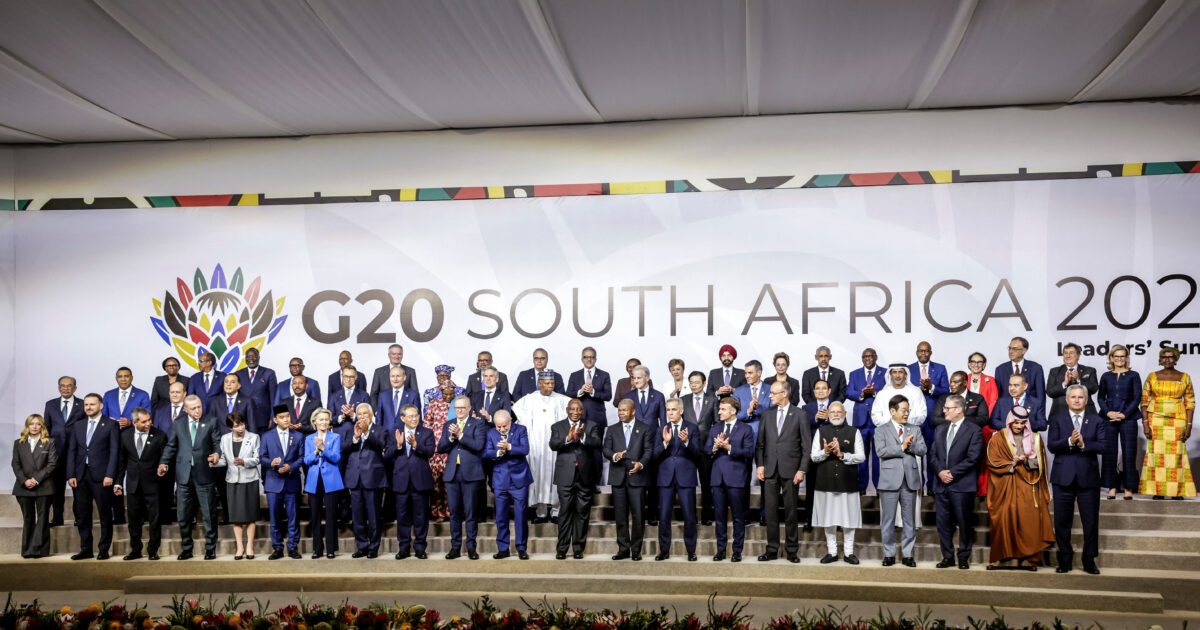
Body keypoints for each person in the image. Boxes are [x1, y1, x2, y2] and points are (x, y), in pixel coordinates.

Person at [1049, 384, 1108, 574]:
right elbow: (1051, 445)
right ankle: (1064, 560)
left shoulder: (1097, 420)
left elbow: (1103, 446)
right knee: (1062, 523)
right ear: (1067, 400)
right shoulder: (1057, 419)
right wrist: (1069, 441)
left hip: (1088, 479)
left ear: (1086, 400)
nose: (1076, 400)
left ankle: (1089, 560)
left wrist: (1083, 444)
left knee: (1090, 523)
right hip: (1062, 478)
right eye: (1073, 397)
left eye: (1080, 397)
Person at [986, 406, 1053, 570]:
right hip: (1006, 483)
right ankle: (1000, 557)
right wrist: (1012, 463)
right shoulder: (998, 438)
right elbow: (992, 461)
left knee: (1029, 519)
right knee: (1003, 518)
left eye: (1022, 423)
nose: (1019, 426)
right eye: (1016, 422)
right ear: (1010, 421)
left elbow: (1041, 462)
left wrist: (1026, 461)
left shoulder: (1035, 438)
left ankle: (1031, 559)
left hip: (1027, 483)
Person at [158, 394, 221, 560]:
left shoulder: (211, 421)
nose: (197, 411)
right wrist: (163, 463)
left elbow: (217, 443)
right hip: (184, 475)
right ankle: (186, 549)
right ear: (185, 409)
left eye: (199, 407)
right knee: (183, 515)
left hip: (204, 474)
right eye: (193, 408)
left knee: (209, 515)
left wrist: (217, 454)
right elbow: (171, 446)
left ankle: (210, 548)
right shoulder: (178, 423)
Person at [755, 381, 810, 563]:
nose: (769, 395)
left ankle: (792, 551)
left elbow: (806, 446)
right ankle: (772, 550)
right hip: (770, 469)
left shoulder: (800, 415)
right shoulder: (767, 414)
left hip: (791, 471)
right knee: (770, 512)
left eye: (773, 393)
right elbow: (760, 443)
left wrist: (802, 469)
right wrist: (760, 465)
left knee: (791, 512)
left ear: (784, 394)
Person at [512, 370, 572, 523]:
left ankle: (556, 511)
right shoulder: (529, 399)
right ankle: (541, 512)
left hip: (555, 446)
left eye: (552, 383)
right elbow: (518, 417)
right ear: (539, 383)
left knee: (555, 476)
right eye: (547, 383)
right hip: (536, 445)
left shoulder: (562, 400)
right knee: (538, 476)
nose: (550, 386)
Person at [930, 394, 983, 570]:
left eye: (947, 408)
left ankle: (963, 557)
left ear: (959, 409)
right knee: (943, 524)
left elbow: (973, 458)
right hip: (941, 485)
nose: (944, 411)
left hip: (962, 485)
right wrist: (940, 472)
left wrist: (952, 473)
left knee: (964, 522)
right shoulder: (940, 429)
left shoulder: (974, 430)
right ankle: (947, 557)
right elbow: (933, 455)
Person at [67, 393, 120, 560]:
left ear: (101, 406)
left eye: (92, 404)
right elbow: (72, 451)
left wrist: (110, 474)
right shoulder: (78, 425)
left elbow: (114, 452)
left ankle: (104, 549)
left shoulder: (111, 424)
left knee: (105, 514)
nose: (88, 407)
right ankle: (86, 549)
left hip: (102, 477)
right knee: (82, 515)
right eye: (86, 405)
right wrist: (71, 474)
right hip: (80, 476)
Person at [809, 402, 864, 564]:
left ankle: (849, 552)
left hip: (848, 482)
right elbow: (814, 457)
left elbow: (861, 457)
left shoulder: (854, 432)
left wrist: (842, 455)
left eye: (839, 412)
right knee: (828, 518)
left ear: (845, 414)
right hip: (825, 481)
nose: (835, 414)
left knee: (849, 519)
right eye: (832, 412)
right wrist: (826, 452)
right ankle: (832, 552)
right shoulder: (821, 431)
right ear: (827, 415)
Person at [1138, 347, 1196, 499]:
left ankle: (1176, 492)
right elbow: (1144, 401)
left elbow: (1190, 402)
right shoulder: (1153, 376)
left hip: (1178, 419)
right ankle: (1159, 491)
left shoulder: (1184, 377)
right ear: (1160, 359)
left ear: (1175, 359)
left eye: (1170, 357)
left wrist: (1189, 425)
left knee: (1176, 455)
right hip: (1156, 419)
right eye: (1164, 357)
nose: (1167, 360)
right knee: (1157, 456)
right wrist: (1145, 423)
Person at [876, 395, 926, 567]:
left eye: (908, 410)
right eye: (903, 410)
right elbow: (880, 451)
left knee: (909, 520)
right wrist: (901, 447)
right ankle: (889, 554)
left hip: (909, 480)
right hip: (889, 481)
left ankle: (908, 555)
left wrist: (910, 446)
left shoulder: (915, 429)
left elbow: (923, 449)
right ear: (892, 411)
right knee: (888, 521)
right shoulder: (881, 430)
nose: (907, 413)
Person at [437, 395, 487, 559]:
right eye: (457, 408)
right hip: (452, 474)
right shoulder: (448, 424)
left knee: (471, 514)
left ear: (469, 408)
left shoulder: (478, 424)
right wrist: (451, 438)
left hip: (471, 474)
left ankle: (471, 548)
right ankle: (455, 547)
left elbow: (478, 446)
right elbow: (441, 448)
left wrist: (460, 435)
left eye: (462, 407)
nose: (459, 410)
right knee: (454, 513)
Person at [604, 399, 653, 561]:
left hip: (637, 477)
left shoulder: (645, 428)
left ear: (633, 411)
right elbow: (606, 449)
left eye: (624, 410)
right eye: (619, 410)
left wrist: (641, 464)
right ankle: (623, 549)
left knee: (638, 515)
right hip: (618, 478)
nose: (621, 413)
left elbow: (648, 451)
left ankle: (636, 550)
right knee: (620, 516)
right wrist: (614, 455)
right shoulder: (611, 429)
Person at [114, 408, 166, 561]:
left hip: (153, 484)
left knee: (154, 519)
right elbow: (121, 462)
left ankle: (153, 550)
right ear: (135, 422)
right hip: (133, 484)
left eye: (149, 419)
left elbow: (165, 457)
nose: (148, 423)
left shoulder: (160, 435)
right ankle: (135, 550)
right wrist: (118, 483)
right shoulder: (125, 436)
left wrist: (164, 466)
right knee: (134, 519)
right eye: (144, 421)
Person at [707, 396, 754, 562]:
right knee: (719, 518)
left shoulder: (746, 429)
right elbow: (706, 450)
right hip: (717, 479)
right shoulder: (715, 428)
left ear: (733, 411)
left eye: (723, 409)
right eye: (719, 409)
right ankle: (720, 550)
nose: (719, 412)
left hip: (736, 479)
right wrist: (715, 446)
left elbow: (749, 452)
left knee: (738, 517)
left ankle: (737, 551)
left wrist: (729, 447)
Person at [653, 398, 700, 562]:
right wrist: (665, 443)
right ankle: (664, 551)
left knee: (689, 516)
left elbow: (698, 455)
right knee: (664, 517)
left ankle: (691, 551)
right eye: (668, 410)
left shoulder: (692, 428)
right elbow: (654, 455)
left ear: (681, 411)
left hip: (686, 477)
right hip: (665, 478)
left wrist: (687, 442)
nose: (670, 413)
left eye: (673, 410)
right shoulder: (661, 429)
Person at [343, 403, 391, 558]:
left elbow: (382, 446)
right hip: (355, 478)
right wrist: (356, 438)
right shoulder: (351, 430)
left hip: (373, 479)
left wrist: (367, 433)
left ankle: (373, 547)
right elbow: (343, 448)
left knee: (374, 515)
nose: (362, 416)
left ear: (371, 415)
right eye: (359, 414)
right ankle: (362, 546)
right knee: (357, 516)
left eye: (365, 413)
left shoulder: (381, 430)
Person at [485, 410, 532, 560]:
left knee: (521, 516)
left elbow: (525, 449)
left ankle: (521, 548)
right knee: (501, 516)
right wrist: (498, 452)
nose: (501, 429)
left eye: (504, 426)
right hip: (500, 480)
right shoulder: (491, 433)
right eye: (498, 426)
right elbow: (486, 453)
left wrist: (509, 447)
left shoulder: (521, 429)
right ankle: (503, 549)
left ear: (510, 421)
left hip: (519, 479)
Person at [391, 404, 435, 559]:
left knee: (421, 516)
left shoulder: (427, 432)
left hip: (420, 481)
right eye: (410, 416)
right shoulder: (395, 432)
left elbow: (430, 452)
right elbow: (387, 455)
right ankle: (403, 548)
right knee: (402, 516)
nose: (414, 418)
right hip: (401, 481)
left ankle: (420, 548)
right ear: (403, 418)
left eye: (416, 415)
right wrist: (398, 446)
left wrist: (416, 445)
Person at [1098, 345, 1142, 500]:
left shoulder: (1133, 375)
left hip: (1128, 418)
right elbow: (1100, 397)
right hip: (1109, 418)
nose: (1119, 359)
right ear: (1111, 358)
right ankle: (1112, 486)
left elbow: (1137, 398)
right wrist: (1108, 412)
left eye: (1122, 356)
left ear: (1127, 358)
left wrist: (1124, 414)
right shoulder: (1106, 376)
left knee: (1129, 453)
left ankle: (1128, 487)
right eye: (1116, 356)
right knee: (1109, 453)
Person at [261, 404, 303, 560]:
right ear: (275, 420)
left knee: (293, 518)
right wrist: (272, 463)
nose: (286, 419)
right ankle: (277, 548)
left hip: (292, 481)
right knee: (275, 518)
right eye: (282, 417)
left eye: (288, 416)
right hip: (273, 482)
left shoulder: (298, 436)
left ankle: (293, 547)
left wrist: (291, 467)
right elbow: (262, 457)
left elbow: (302, 457)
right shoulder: (267, 436)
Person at [12, 414, 57, 558]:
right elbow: (15, 464)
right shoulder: (19, 443)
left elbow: (52, 464)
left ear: (42, 426)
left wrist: (36, 480)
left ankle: (38, 550)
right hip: (23, 486)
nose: (35, 427)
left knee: (43, 518)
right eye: (32, 424)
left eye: (38, 424)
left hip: (44, 486)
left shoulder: (49, 442)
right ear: (27, 426)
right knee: (28, 518)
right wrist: (25, 480)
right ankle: (27, 550)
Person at [217, 411, 260, 560]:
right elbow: (224, 460)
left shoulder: (254, 437)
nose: (241, 428)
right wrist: (214, 462)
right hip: (232, 480)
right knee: (236, 516)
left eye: (242, 424)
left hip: (250, 480)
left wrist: (244, 461)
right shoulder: (224, 439)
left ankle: (250, 546)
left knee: (250, 516)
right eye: (237, 426)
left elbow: (257, 458)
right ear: (230, 428)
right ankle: (240, 547)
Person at [43, 375, 85, 527]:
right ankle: (57, 518)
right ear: (59, 387)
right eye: (62, 385)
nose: (65, 388)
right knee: (57, 487)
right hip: (56, 453)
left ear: (75, 388)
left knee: (78, 488)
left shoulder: (83, 404)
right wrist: (46, 452)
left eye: (69, 385)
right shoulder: (50, 405)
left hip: (77, 452)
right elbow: (46, 429)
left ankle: (79, 518)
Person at [303, 408, 344, 558]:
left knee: (331, 515)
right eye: (321, 419)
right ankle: (317, 549)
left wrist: (323, 449)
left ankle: (331, 549)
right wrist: (315, 451)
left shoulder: (335, 437)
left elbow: (336, 458)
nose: (324, 422)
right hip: (314, 480)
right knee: (315, 516)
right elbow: (306, 460)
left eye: (326, 419)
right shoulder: (309, 439)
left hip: (331, 480)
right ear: (314, 421)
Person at [846, 349, 885, 494]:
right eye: (864, 356)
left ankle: (879, 486)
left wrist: (875, 393)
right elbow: (849, 392)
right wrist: (861, 393)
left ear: (876, 357)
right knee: (861, 454)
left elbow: (888, 391)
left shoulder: (885, 372)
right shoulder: (854, 374)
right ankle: (861, 486)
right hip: (860, 421)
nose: (867, 359)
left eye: (870, 356)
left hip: (878, 420)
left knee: (878, 455)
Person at [681, 370, 717, 525]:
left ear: (704, 383)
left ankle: (707, 516)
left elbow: (717, 424)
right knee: (688, 484)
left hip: (706, 448)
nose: (693, 385)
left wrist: (713, 447)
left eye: (696, 382)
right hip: (688, 448)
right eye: (691, 382)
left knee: (706, 484)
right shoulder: (683, 399)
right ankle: (690, 517)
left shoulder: (712, 399)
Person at [423, 380, 460, 522]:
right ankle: (438, 511)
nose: (448, 397)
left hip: (452, 448)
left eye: (451, 394)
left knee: (451, 482)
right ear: (441, 392)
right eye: (445, 394)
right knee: (437, 483)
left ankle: (452, 512)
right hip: (436, 450)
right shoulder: (433, 404)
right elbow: (427, 425)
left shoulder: (458, 404)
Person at [801, 380, 835, 530]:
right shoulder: (806, 408)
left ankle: (833, 520)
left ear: (829, 391)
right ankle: (809, 519)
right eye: (817, 389)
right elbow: (801, 428)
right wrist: (815, 418)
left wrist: (828, 418)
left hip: (832, 454)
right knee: (811, 488)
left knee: (832, 488)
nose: (820, 391)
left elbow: (844, 426)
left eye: (824, 388)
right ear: (814, 391)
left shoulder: (836, 406)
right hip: (813, 454)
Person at [1047, 343, 1099, 418]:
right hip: (1060, 413)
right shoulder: (1054, 371)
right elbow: (1050, 392)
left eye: (1071, 353)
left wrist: (1079, 380)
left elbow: (1094, 388)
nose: (1068, 356)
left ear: (1078, 355)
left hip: (1086, 413)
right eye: (1065, 353)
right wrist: (1064, 384)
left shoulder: (1089, 370)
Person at [871, 364, 928, 429]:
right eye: (894, 372)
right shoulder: (882, 394)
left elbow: (922, 415)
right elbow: (876, 416)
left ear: (905, 374)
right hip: (887, 431)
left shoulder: (916, 392)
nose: (897, 376)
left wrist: (903, 421)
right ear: (890, 375)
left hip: (910, 431)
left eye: (900, 372)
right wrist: (893, 424)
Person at [235, 347, 278, 433]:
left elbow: (274, 398)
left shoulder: (269, 373)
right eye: (248, 356)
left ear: (258, 357)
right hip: (243, 419)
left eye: (254, 356)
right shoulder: (238, 374)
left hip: (263, 419)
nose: (251, 359)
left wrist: (273, 417)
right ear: (245, 358)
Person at [994, 337, 1045, 408]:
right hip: (1007, 411)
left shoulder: (1035, 368)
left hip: (1030, 411)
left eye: (1014, 349)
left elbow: (1040, 396)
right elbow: (997, 396)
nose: (1010, 351)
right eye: (1009, 348)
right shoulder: (1000, 369)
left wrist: (1040, 413)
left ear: (1024, 350)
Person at [568, 347, 612, 424]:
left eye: (592, 357)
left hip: (597, 418)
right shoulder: (574, 375)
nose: (589, 359)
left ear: (595, 359)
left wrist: (593, 392)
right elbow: (568, 394)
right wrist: (580, 392)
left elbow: (608, 396)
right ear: (582, 359)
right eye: (586, 357)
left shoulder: (604, 375)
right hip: (578, 417)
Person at [370, 343, 419, 409]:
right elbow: (374, 394)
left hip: (404, 412)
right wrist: (376, 411)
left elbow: (415, 394)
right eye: (394, 354)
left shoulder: (410, 371)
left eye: (399, 354)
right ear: (389, 355)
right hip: (384, 411)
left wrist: (412, 412)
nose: (396, 356)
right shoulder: (379, 372)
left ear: (402, 355)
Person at [104, 366, 151, 431]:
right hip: (111, 432)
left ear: (131, 378)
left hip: (132, 433)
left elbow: (147, 417)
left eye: (126, 376)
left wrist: (130, 423)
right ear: (116, 378)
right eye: (120, 376)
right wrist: (108, 421)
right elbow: (102, 415)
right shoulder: (108, 395)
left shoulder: (142, 395)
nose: (123, 379)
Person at [327, 366, 369, 436]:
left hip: (358, 435)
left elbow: (368, 419)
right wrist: (341, 417)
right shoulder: (334, 396)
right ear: (342, 376)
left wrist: (353, 415)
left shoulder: (364, 395)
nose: (348, 379)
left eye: (351, 377)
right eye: (346, 376)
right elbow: (329, 418)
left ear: (356, 377)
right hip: (339, 436)